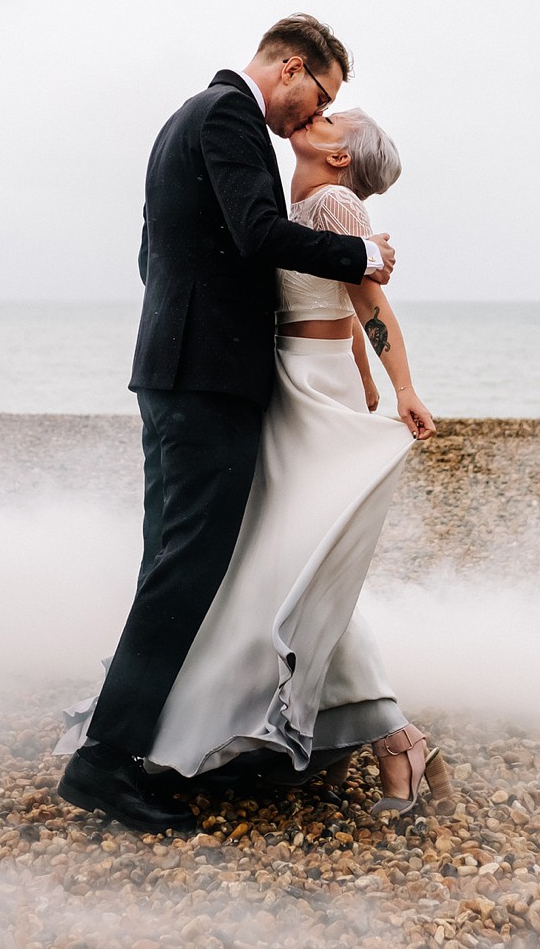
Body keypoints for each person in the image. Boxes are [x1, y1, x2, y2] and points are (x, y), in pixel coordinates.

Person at [56, 15, 396, 833]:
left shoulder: (186, 119)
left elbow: (153, 257)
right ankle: (105, 764)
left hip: (174, 374)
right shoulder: (230, 117)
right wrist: (362, 259)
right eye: (319, 93)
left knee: (171, 565)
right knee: (186, 572)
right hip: (208, 384)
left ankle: (138, 740)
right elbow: (257, 233)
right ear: (289, 67)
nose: (309, 114)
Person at [138, 106, 449, 815]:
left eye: (336, 117)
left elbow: (369, 305)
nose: (318, 113)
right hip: (293, 374)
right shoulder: (288, 205)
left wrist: (400, 388)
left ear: (341, 157)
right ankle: (378, 734)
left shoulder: (334, 203)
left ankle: (391, 735)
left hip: (310, 382)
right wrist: (369, 384)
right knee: (287, 561)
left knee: (296, 559)